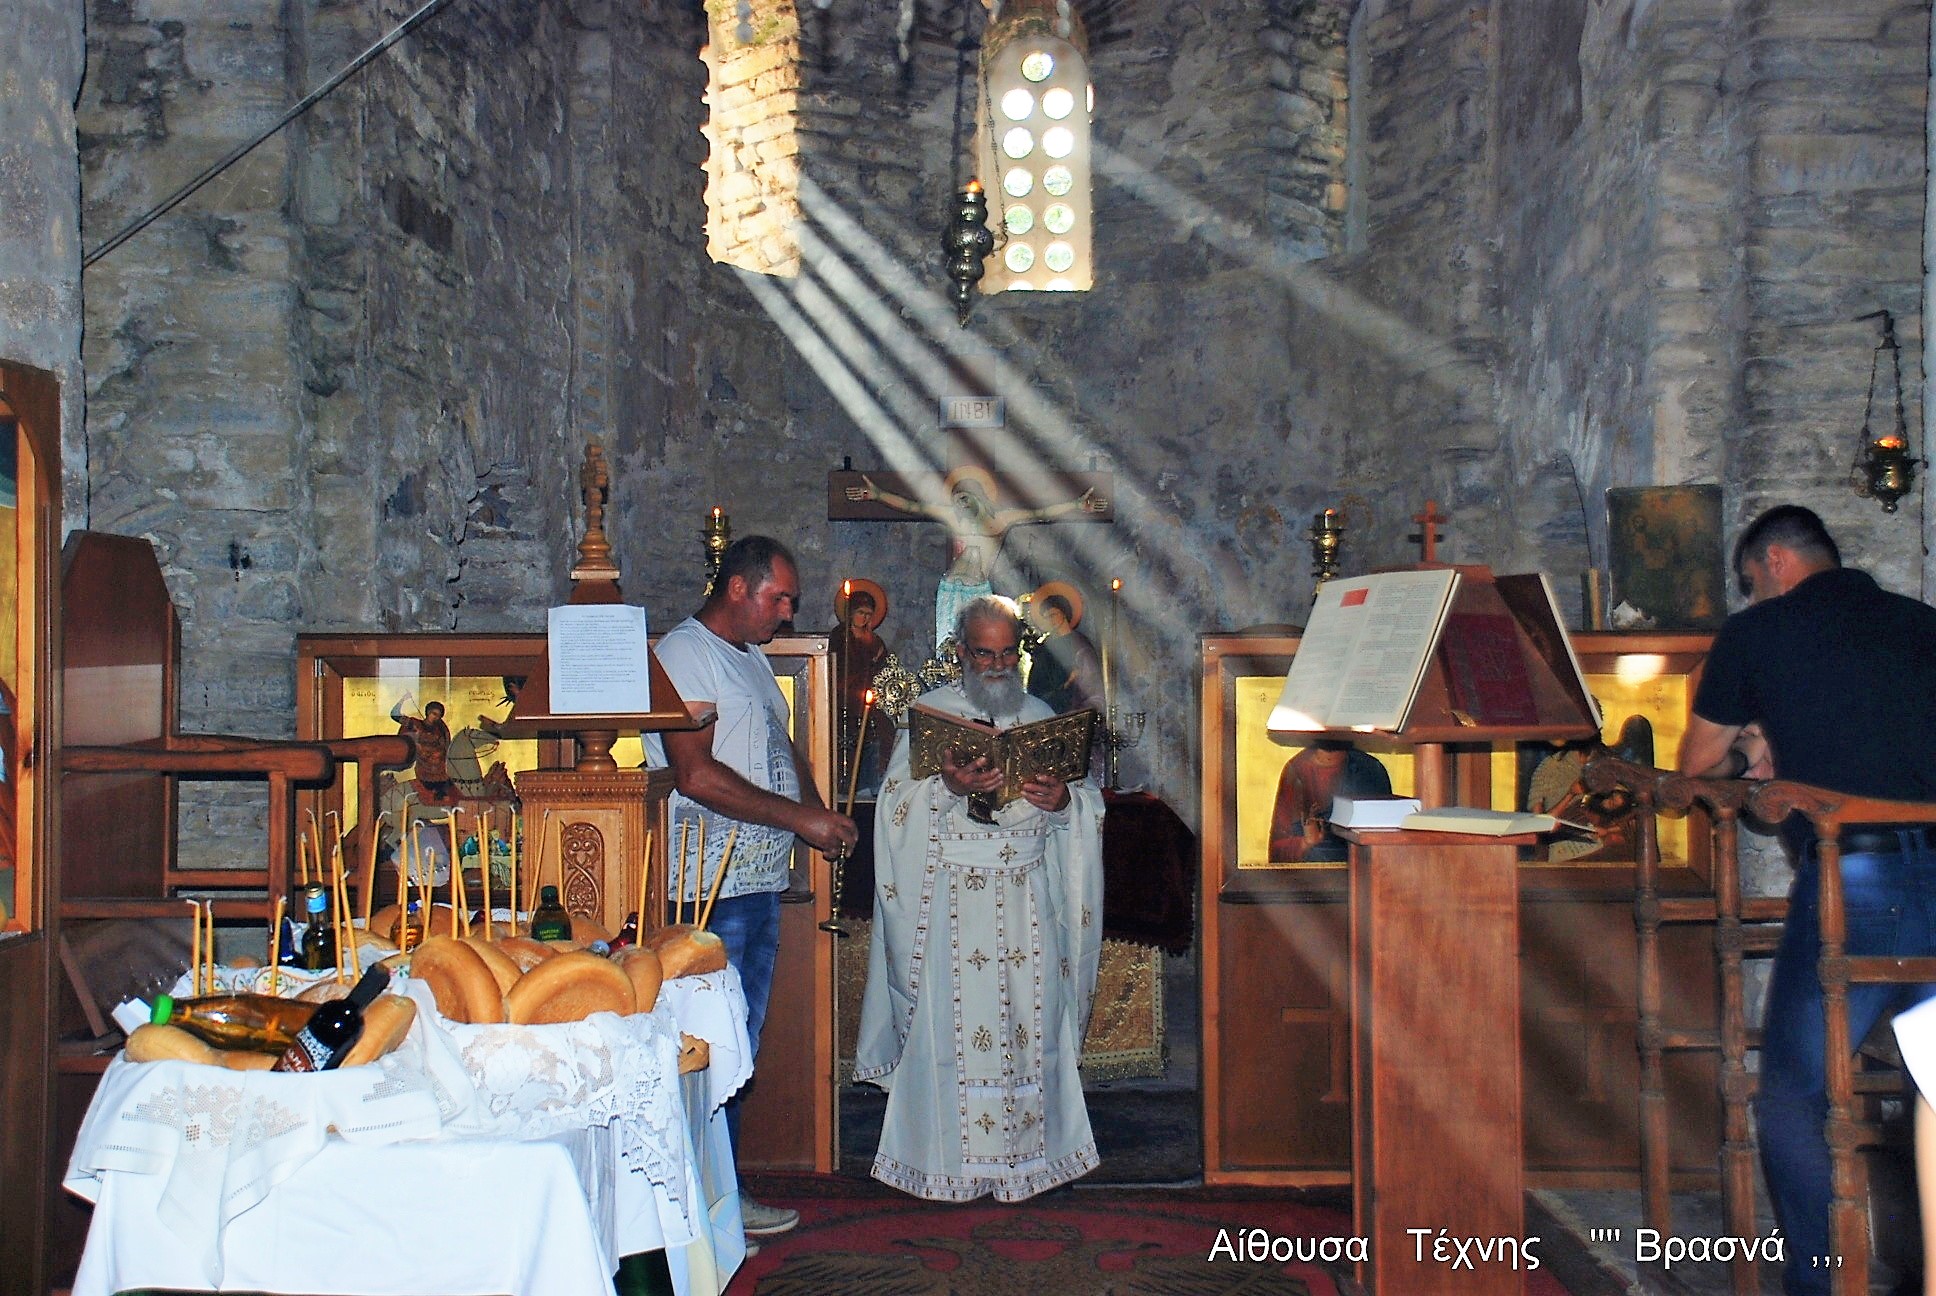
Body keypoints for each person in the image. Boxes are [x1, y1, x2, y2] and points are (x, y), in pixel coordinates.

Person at [1678, 504, 1936, 1295]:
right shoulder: (1922, 623)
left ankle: (1822, 1282)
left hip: (1854, 881)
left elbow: (1696, 763)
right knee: (1933, 1086)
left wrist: (1752, 750)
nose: (1753, 594)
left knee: (1794, 1095)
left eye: (1751, 581)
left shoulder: (1759, 633)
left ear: (1777, 563)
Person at [854, 594, 1105, 1201]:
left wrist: (1062, 802)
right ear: (961, 652)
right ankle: (947, 1167)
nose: (996, 666)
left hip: (1027, 901)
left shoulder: (1041, 714)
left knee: (1030, 1028)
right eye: (984, 654)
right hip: (952, 906)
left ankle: (1028, 1164)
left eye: (1006, 654)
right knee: (951, 1031)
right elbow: (894, 809)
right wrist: (945, 785)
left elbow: (1084, 805)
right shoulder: (932, 715)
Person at [652, 535, 859, 1241]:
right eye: (780, 598)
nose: (788, 612)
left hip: (754, 881)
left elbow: (781, 745)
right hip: (707, 887)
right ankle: (707, 1200)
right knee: (707, 1042)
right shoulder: (686, 653)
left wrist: (817, 817)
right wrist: (800, 818)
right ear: (738, 588)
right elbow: (695, 774)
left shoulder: (749, 657)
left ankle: (722, 1190)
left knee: (736, 1041)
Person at [846, 466, 1097, 647]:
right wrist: (878, 495)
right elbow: (913, 506)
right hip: (949, 588)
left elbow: (1039, 512)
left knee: (975, 645)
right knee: (947, 648)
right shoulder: (952, 518)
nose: (961, 505)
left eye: (965, 498)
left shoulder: (999, 520)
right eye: (957, 501)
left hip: (976, 590)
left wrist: (1075, 505)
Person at [1266, 741, 1392, 863]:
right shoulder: (1298, 770)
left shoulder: (1371, 771)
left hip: (1361, 871)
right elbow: (1277, 854)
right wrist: (1305, 842)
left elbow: (1386, 847)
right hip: (1312, 874)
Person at [836, 584, 893, 794]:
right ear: (851, 612)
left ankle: (874, 785)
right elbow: (839, 668)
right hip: (845, 697)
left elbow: (884, 668)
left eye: (868, 614)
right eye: (860, 613)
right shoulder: (840, 637)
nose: (864, 618)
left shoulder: (875, 640)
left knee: (882, 732)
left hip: (869, 699)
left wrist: (876, 662)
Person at [1025, 592, 1104, 718]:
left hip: (1076, 708)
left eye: (1053, 615)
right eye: (1046, 617)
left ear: (1063, 613)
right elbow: (1036, 684)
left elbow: (1091, 680)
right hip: (1049, 710)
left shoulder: (1079, 642)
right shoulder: (1046, 647)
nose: (1051, 620)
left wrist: (1073, 681)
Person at [391, 696, 459, 806]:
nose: (435, 717)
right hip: (424, 767)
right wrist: (403, 699)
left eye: (438, 716)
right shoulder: (415, 724)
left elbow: (446, 745)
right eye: (434, 714)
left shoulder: (439, 729)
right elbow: (394, 715)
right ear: (428, 712)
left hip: (440, 768)